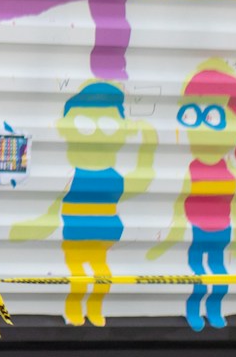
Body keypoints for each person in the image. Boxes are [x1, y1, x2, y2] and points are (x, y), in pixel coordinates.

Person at [10, 80, 158, 326]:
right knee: (78, 275)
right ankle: (73, 309)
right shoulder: (71, 176)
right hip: (75, 235)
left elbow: (141, 181)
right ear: (64, 127)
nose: (98, 132)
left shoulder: (113, 177)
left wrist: (148, 148)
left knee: (103, 275)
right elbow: (52, 208)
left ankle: (94, 308)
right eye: (85, 124)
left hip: (103, 236)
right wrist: (33, 226)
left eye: (108, 125)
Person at [150, 62, 236, 331]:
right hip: (196, 228)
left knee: (218, 271)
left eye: (214, 116)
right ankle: (195, 309)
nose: (201, 126)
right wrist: (173, 232)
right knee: (196, 271)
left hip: (223, 229)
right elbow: (180, 201)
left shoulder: (230, 171)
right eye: (192, 115)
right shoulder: (191, 169)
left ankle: (214, 310)